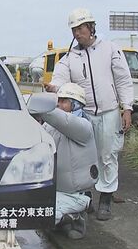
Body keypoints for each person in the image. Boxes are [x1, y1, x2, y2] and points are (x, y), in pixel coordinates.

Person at [44, 8, 134, 221]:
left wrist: (127, 108)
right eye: (74, 29)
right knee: (82, 157)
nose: (77, 33)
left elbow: (123, 79)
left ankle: (106, 198)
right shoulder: (70, 57)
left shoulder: (110, 49)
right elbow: (60, 78)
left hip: (109, 111)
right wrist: (53, 87)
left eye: (81, 28)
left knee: (108, 155)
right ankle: (85, 197)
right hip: (83, 113)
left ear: (91, 27)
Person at [32, 83, 99, 239]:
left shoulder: (83, 126)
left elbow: (65, 122)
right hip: (55, 188)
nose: (59, 105)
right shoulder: (51, 125)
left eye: (64, 101)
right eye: (58, 101)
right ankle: (63, 219)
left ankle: (77, 216)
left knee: (42, 214)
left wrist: (39, 107)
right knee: (34, 211)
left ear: (75, 104)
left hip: (75, 192)